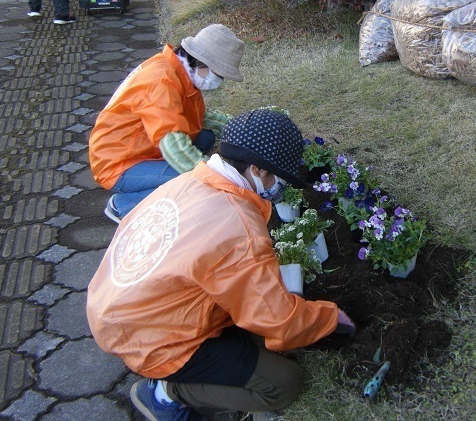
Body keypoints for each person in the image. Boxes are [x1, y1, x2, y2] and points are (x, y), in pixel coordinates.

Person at [86, 108, 356, 420]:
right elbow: (277, 320)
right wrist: (328, 317)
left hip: (114, 304)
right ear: (256, 168)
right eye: (278, 175)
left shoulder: (190, 181)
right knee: (282, 383)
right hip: (150, 336)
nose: (281, 184)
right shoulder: (238, 231)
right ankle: (166, 394)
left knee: (244, 335)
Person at [88, 23, 245, 223]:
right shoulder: (161, 82)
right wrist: (212, 176)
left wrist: (240, 128)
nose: (220, 80)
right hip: (118, 162)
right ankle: (123, 205)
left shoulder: (178, 70)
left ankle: (156, 176)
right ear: (202, 62)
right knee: (189, 182)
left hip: (139, 144)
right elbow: (174, 147)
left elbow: (201, 116)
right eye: (220, 74)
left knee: (205, 138)